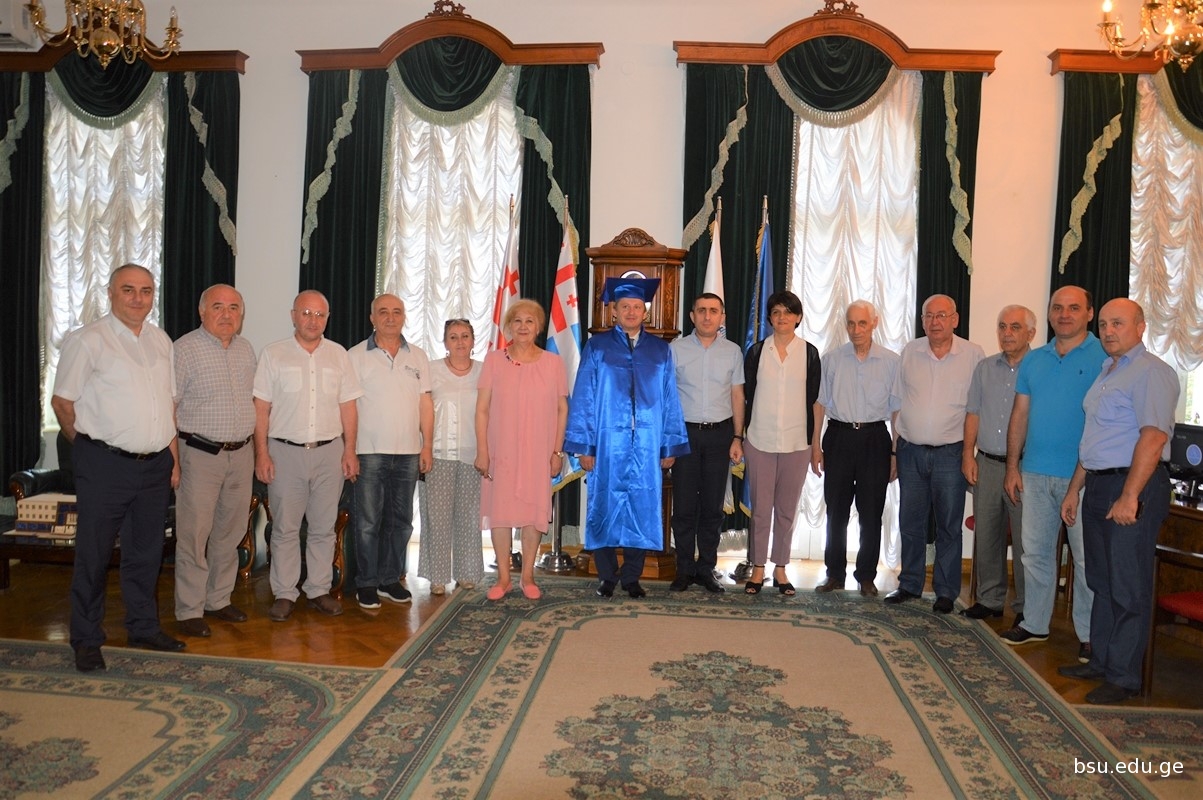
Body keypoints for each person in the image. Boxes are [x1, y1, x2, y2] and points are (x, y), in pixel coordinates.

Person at [51, 264, 184, 672]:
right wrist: (89, 448)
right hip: (104, 465)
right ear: (110, 293)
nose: (138, 298)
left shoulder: (161, 341)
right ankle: (86, 639)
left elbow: (167, 405)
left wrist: (173, 461)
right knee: (93, 555)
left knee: (146, 553)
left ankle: (143, 627)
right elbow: (62, 402)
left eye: (146, 290)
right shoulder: (87, 340)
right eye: (128, 289)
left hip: (155, 466)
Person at [1057, 298, 1177, 704]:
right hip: (1098, 484)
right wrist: (1074, 489)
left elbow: (1154, 437)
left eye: (1118, 324)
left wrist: (1130, 496)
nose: (1108, 331)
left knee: (1128, 585)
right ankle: (1102, 661)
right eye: (1105, 324)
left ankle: (1124, 677)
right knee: (1101, 581)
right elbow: (1095, 439)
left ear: (1141, 327)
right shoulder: (1108, 371)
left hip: (1132, 485)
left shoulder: (1151, 372)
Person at [566, 277, 689, 598]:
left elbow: (670, 399)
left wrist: (669, 445)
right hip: (607, 443)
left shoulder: (660, 351)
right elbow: (584, 397)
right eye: (625, 307)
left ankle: (632, 577)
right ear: (615, 312)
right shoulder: (597, 347)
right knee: (603, 505)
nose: (631, 312)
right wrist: (585, 447)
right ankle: (607, 576)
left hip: (647, 444)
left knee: (643, 505)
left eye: (637, 307)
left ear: (644, 312)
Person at [1000, 286, 1102, 661]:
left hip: (1084, 478)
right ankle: (1035, 623)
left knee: (1085, 560)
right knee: (1035, 555)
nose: (1064, 314)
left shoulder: (1104, 357)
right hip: (1035, 473)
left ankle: (1089, 635)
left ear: (1089, 313)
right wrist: (1013, 466)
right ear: (1048, 313)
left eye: (1073, 308)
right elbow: (1020, 415)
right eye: (1057, 307)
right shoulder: (1035, 360)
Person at [253, 290, 362, 621]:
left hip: (330, 453)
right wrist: (261, 454)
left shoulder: (339, 355)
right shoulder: (273, 354)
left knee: (323, 528)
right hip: (284, 453)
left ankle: (318, 590)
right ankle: (285, 593)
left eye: (319, 315)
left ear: (327, 319)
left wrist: (350, 450)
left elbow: (348, 407)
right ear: (293, 316)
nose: (313, 320)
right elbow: (261, 408)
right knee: (285, 528)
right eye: (306, 313)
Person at [887, 294, 984, 612]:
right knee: (910, 522)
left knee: (948, 526)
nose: (935, 322)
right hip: (910, 452)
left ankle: (945, 591)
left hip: (951, 455)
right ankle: (909, 584)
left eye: (942, 315)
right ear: (922, 320)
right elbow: (897, 403)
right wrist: (894, 451)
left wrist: (969, 453)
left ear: (955, 319)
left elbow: (976, 409)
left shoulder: (973, 354)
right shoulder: (910, 351)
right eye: (929, 316)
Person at [173, 284, 257, 638]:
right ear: (202, 312)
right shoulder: (184, 349)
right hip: (199, 455)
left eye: (234, 308)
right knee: (194, 534)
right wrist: (173, 462)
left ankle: (218, 599)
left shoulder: (245, 349)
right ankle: (189, 609)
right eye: (218, 307)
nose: (227, 314)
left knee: (230, 531)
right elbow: (170, 406)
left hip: (242, 454)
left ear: (241, 314)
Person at [475, 299, 569, 601]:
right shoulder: (493, 361)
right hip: (500, 451)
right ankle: (503, 578)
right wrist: (482, 450)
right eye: (517, 321)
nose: (523, 326)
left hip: (538, 452)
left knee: (532, 513)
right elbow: (482, 409)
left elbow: (562, 409)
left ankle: (527, 576)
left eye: (530, 321)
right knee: (500, 514)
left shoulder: (553, 363)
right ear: (508, 327)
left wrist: (557, 452)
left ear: (539, 327)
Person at [347, 294, 433, 609]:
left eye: (397, 312)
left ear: (404, 317)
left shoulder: (418, 356)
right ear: (372, 318)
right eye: (383, 312)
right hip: (368, 453)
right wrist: (349, 450)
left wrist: (427, 445)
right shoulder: (355, 356)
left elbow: (426, 404)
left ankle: (389, 580)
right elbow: (348, 407)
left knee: (401, 521)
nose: (390, 317)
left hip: (409, 453)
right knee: (368, 522)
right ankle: (366, 583)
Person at [812, 300, 900, 597]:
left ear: (874, 323)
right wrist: (815, 446)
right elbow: (819, 404)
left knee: (871, 513)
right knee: (836, 511)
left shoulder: (891, 362)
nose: (856, 329)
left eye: (862, 323)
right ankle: (834, 574)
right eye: (851, 323)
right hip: (838, 438)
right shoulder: (832, 359)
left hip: (875, 440)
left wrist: (895, 453)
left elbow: (897, 410)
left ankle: (866, 576)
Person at [741, 290, 821, 596]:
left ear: (798, 317)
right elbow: (745, 396)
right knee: (761, 509)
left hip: (797, 443)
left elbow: (815, 403)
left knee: (787, 510)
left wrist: (815, 445)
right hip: (759, 440)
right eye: (776, 312)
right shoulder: (756, 352)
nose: (782, 317)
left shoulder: (810, 353)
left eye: (788, 312)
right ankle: (758, 567)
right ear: (770, 318)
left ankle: (781, 568)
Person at [960, 304, 1035, 621]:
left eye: (1015, 327)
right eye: (1002, 326)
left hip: (1026, 468)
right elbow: (973, 413)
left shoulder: (1040, 368)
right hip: (987, 463)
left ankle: (1026, 608)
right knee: (988, 535)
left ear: (1031, 333)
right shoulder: (985, 368)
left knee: (1025, 540)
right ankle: (990, 600)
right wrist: (968, 454)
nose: (1007, 333)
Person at [668, 292, 744, 593]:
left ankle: (706, 568)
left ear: (722, 317)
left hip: (720, 435)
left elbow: (737, 395)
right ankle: (684, 569)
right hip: (685, 435)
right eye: (701, 310)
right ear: (692, 316)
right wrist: (668, 440)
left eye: (713, 311)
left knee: (713, 508)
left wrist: (737, 437)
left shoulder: (733, 352)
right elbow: (667, 396)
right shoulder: (676, 349)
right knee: (684, 507)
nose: (707, 316)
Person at [418, 318, 485, 595]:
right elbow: (422, 410)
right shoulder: (430, 370)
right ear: (445, 342)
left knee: (469, 517)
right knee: (437, 518)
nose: (460, 342)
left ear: (473, 340)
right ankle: (438, 577)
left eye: (465, 336)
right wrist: (424, 447)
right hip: (438, 454)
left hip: (472, 454)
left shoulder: (484, 371)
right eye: (453, 336)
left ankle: (466, 573)